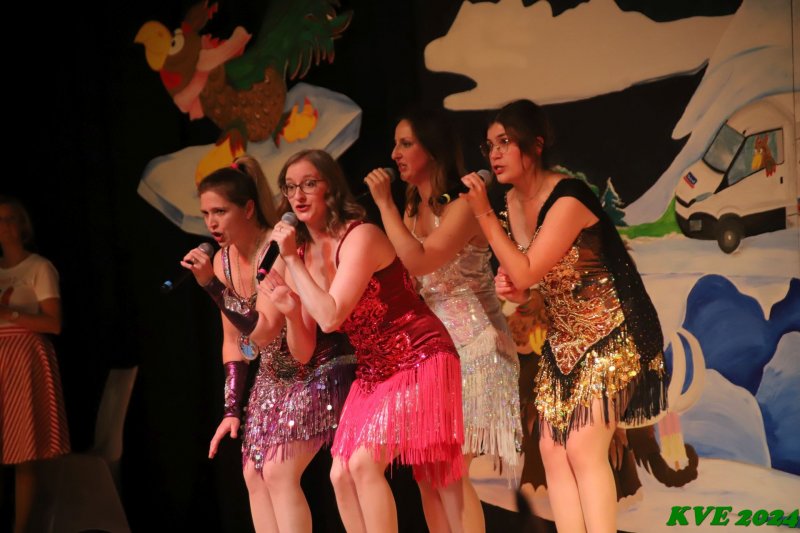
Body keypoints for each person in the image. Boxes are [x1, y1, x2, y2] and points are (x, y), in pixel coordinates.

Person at [460, 100, 667, 533]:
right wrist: (516, 291)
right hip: (564, 341)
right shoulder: (510, 204)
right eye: (490, 145)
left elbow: (526, 268)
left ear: (535, 146)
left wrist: (482, 213)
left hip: (610, 332)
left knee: (583, 447)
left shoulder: (569, 197)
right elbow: (530, 279)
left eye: (505, 142)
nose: (495, 154)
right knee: (552, 451)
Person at [261, 149, 465, 533]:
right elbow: (304, 351)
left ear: (331, 188)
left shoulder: (360, 236)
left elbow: (331, 316)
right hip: (373, 369)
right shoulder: (300, 254)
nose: (298, 195)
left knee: (367, 463)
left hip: (417, 354)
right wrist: (290, 311)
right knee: (340, 474)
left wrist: (292, 263)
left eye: (309, 184)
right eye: (290, 187)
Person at [363, 109, 522, 532]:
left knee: (449, 468)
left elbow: (420, 261)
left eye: (406, 144)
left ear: (432, 150)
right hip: (433, 352)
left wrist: (383, 204)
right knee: (426, 471)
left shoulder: (464, 205)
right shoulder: (412, 206)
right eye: (395, 144)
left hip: (475, 344)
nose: (394, 154)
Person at [181, 155, 354, 533]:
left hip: (316, 366)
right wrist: (231, 408)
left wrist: (212, 287)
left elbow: (262, 331)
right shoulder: (223, 261)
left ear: (247, 208)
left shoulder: (272, 252)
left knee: (277, 471)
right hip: (273, 374)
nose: (211, 223)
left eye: (220, 212)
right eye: (205, 214)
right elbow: (233, 341)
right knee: (252, 474)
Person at [0, 195, 70, 533]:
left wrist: (10, 314)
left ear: (22, 225)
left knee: (24, 451)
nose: (4, 226)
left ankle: (22, 528)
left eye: (10, 218)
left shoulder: (39, 268)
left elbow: (53, 324)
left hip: (23, 359)